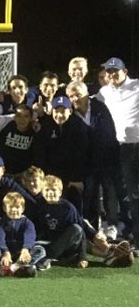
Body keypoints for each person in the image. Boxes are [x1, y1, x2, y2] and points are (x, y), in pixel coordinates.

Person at [24, 168, 134, 268]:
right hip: (47, 242)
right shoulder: (37, 203)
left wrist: (83, 256)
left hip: (65, 243)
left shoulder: (67, 208)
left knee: (77, 229)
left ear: (60, 191)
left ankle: (108, 251)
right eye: (47, 190)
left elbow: (80, 228)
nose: (32, 184)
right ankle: (109, 254)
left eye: (35, 180)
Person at [66, 81, 128, 238]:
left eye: (78, 95)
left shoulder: (101, 107)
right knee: (89, 195)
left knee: (110, 192)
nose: (75, 99)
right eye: (71, 96)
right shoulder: (70, 115)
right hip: (87, 165)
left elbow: (107, 134)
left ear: (87, 94)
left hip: (107, 160)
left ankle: (113, 226)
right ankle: (91, 229)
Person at [96, 57, 139, 252]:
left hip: (137, 144)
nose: (112, 74)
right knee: (131, 194)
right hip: (120, 148)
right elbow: (83, 103)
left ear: (125, 71)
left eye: (116, 71)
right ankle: (135, 237)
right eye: (109, 71)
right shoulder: (104, 92)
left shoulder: (137, 86)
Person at [33, 96, 90, 213]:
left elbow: (82, 155)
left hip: (72, 175)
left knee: (72, 206)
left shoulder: (79, 126)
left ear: (70, 111)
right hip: (51, 174)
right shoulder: (46, 125)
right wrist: (43, 177)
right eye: (56, 111)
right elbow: (40, 153)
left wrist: (76, 179)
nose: (59, 115)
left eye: (63, 111)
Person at [0, 192, 45, 277]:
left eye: (17, 207)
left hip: (22, 253)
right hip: (5, 253)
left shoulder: (27, 223)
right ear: (5, 208)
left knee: (40, 250)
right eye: (11, 207)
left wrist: (25, 249)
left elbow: (30, 236)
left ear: (22, 209)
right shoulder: (1, 223)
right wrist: (5, 252)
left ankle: (19, 267)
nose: (14, 210)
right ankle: (3, 267)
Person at [0, 104, 36, 176]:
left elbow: (35, 154)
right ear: (14, 117)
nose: (22, 119)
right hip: (5, 172)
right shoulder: (8, 128)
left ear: (31, 118)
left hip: (23, 174)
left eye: (26, 116)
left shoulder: (33, 132)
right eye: (19, 115)